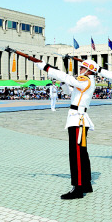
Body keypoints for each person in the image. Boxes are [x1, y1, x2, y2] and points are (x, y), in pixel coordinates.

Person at [35, 59, 98, 200]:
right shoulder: (86, 81)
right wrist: (61, 81)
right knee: (81, 153)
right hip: (77, 118)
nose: (80, 70)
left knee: (76, 155)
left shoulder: (86, 79)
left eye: (82, 68)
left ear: (88, 70)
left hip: (78, 119)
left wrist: (46, 67)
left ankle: (78, 187)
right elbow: (70, 91)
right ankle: (86, 184)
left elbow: (67, 78)